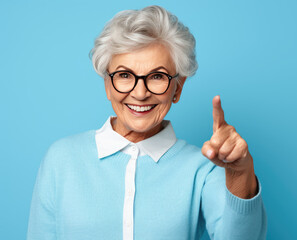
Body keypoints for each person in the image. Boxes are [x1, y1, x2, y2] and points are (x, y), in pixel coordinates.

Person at [27, 5, 267, 240]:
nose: (140, 93)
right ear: (107, 85)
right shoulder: (61, 159)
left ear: (177, 88)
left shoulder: (202, 169)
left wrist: (239, 172)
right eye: (124, 75)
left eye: (157, 76)